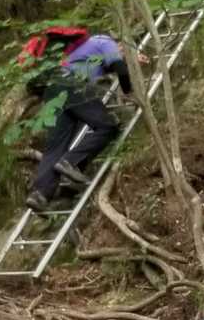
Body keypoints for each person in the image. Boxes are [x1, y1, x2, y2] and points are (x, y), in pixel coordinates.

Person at [25, 33, 139, 212]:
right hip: (72, 85)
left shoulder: (84, 49)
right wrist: (129, 92)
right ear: (120, 45)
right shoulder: (105, 41)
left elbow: (97, 67)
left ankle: (40, 194)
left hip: (52, 91)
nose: (123, 55)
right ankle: (70, 162)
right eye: (125, 51)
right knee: (107, 126)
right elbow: (120, 68)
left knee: (56, 146)